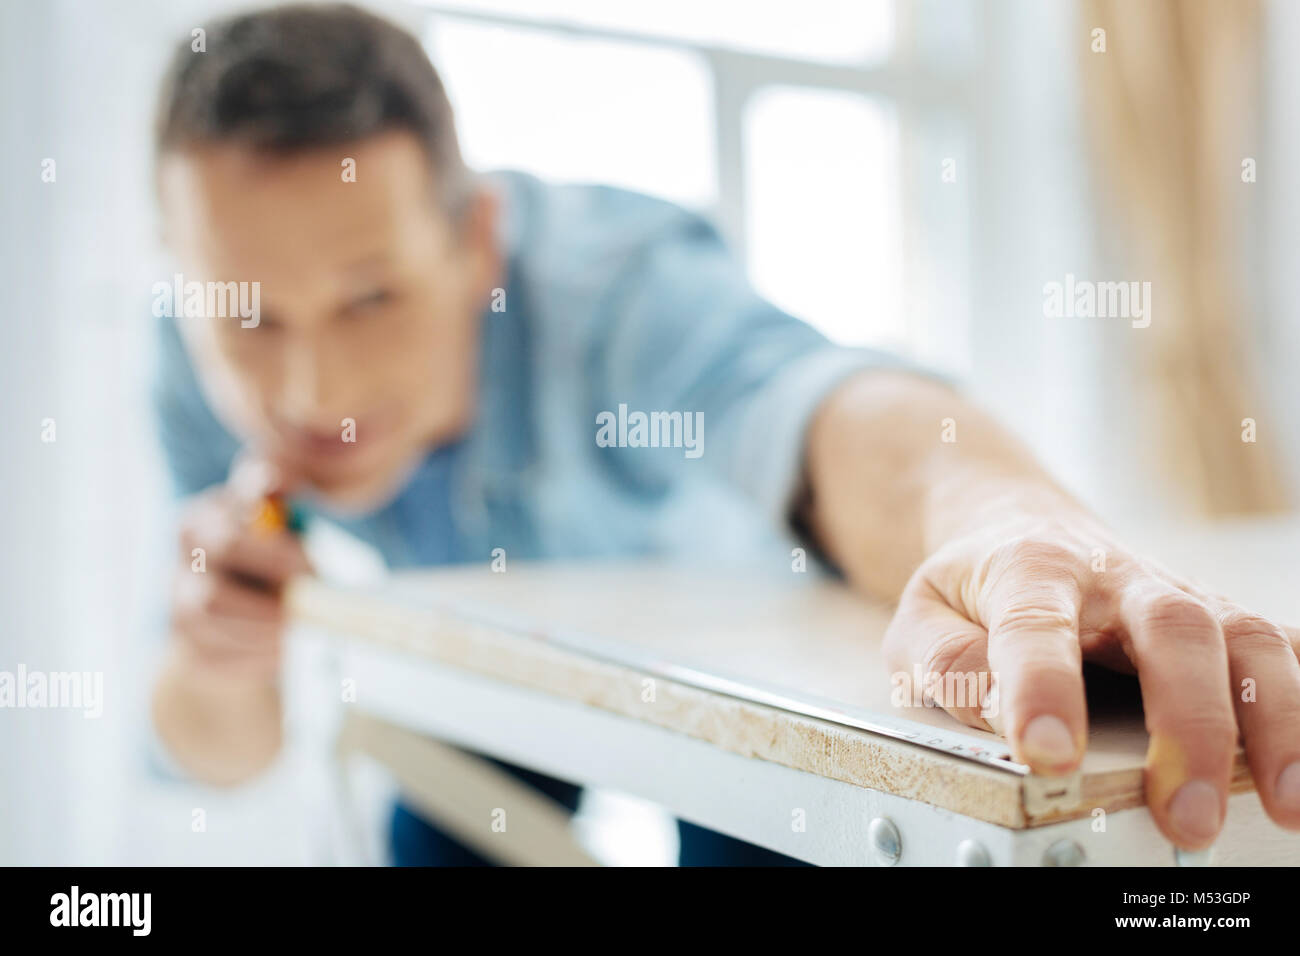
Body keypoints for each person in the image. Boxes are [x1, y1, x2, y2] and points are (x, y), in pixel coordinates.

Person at [149, 3, 1300, 865]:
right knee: (435, 813)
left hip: (754, 676)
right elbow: (212, 750)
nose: (312, 385)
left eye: (369, 297)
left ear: (478, 246)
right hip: (505, 665)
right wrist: (217, 649)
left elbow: (829, 408)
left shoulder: (615, 290)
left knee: (751, 830)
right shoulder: (191, 365)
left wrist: (1016, 532)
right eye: (248, 314)